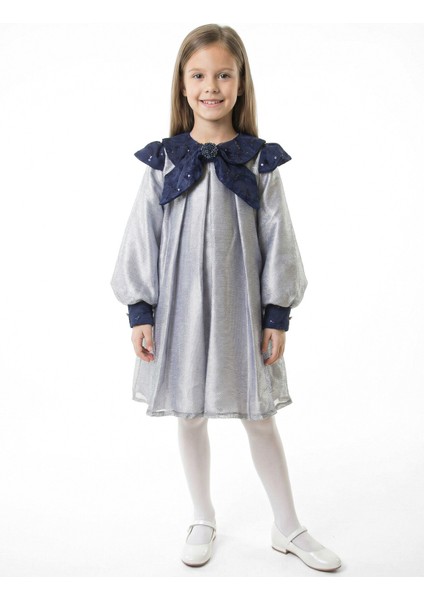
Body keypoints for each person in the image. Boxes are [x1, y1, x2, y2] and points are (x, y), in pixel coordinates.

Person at [110, 23, 342, 572]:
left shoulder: (259, 163)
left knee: (259, 417)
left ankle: (287, 525)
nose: (210, 86)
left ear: (240, 83)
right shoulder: (164, 161)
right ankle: (202, 516)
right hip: (180, 312)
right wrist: (140, 311)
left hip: (242, 312)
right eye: (198, 75)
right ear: (182, 84)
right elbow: (142, 236)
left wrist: (277, 314)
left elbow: (279, 240)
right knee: (189, 415)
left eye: (223, 75)